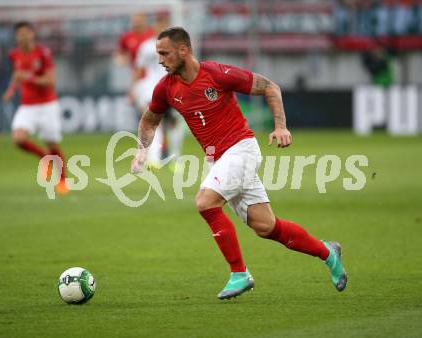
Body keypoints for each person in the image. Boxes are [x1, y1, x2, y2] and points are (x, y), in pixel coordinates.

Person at [131, 27, 347, 300]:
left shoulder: (217, 74)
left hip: (241, 150)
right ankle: (328, 253)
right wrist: (142, 150)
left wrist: (280, 126)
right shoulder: (166, 88)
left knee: (205, 202)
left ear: (183, 50)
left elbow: (270, 87)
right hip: (218, 160)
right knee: (266, 227)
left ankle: (239, 273)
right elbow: (150, 119)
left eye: (164, 53)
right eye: (158, 55)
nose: (160, 60)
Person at [3, 21, 68, 194]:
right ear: (16, 37)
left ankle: (63, 180)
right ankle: (44, 156)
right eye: (19, 34)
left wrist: (28, 77)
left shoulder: (43, 53)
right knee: (18, 139)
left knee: (53, 145)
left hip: (47, 105)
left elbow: (50, 81)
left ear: (32, 34)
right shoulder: (14, 54)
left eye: (26, 33)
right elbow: (17, 75)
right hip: (27, 106)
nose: (23, 36)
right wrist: (11, 89)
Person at [133, 14, 184, 168]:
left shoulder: (175, 47)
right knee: (156, 123)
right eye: (159, 24)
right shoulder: (146, 46)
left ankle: (175, 158)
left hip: (172, 89)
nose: (161, 27)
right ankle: (154, 159)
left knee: (174, 123)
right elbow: (139, 69)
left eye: (164, 25)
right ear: (154, 27)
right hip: (152, 90)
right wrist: (134, 89)